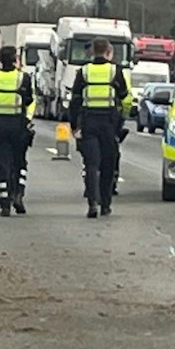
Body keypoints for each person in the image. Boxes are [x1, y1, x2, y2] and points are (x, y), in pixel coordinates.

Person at [67, 37, 131, 218]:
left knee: (91, 165)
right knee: (108, 165)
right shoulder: (115, 71)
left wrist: (73, 126)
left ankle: (92, 203)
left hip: (89, 122)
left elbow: (75, 101)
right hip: (109, 123)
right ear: (108, 51)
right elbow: (124, 96)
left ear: (92, 51)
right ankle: (106, 204)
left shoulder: (84, 72)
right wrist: (121, 121)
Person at [0, 45, 35, 216]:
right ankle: (18, 195)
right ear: (15, 60)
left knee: (1, 163)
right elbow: (29, 100)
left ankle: (4, 202)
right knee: (20, 161)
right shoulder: (23, 77)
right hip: (18, 123)